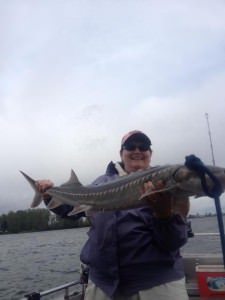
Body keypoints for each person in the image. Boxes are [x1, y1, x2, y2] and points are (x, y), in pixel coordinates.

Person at [36, 130, 190, 300]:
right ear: (121, 153)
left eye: (143, 146)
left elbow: (174, 241)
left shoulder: (167, 182)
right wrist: (49, 194)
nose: (137, 150)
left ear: (150, 153)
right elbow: (69, 211)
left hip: (157, 284)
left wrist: (164, 215)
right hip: (102, 285)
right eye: (130, 146)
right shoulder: (101, 182)